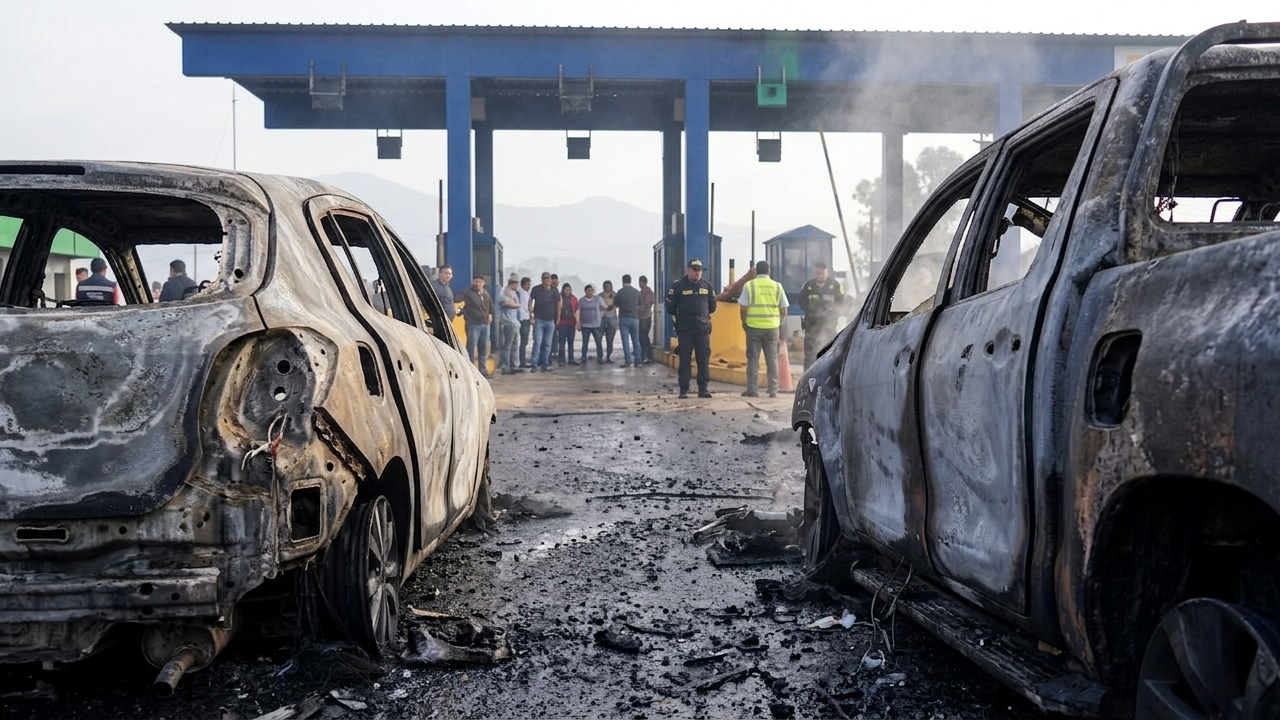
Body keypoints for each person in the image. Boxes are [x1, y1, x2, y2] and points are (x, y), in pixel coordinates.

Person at [665, 258, 716, 399]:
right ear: (688, 270)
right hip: (685, 329)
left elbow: (712, 307)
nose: (697, 273)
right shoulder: (678, 286)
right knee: (685, 359)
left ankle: (703, 389)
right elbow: (670, 307)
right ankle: (683, 389)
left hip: (702, 328)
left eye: (699, 270)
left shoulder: (707, 286)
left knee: (703, 359)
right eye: (694, 270)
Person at [739, 260, 789, 398]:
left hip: (753, 327)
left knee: (753, 359)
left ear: (756, 272)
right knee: (772, 360)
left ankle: (752, 390)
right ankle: (773, 390)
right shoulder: (777, 286)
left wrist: (744, 323)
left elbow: (743, 308)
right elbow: (784, 309)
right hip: (772, 328)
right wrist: (778, 322)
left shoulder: (749, 286)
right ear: (769, 271)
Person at [798, 261, 846, 370]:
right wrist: (811, 311)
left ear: (827, 272)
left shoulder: (835, 286)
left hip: (829, 326)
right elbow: (802, 302)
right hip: (812, 326)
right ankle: (808, 374)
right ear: (815, 273)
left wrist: (832, 314)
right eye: (818, 273)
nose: (820, 276)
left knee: (830, 352)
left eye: (823, 273)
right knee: (810, 354)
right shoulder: (808, 286)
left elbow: (841, 303)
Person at [459, 275, 494, 378]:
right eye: (476, 281)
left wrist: (490, 315)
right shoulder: (467, 292)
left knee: (483, 348)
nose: (477, 284)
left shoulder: (485, 294)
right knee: (471, 346)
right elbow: (459, 301)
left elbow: (491, 307)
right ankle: (470, 370)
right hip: (473, 324)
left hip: (485, 325)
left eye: (480, 282)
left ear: (483, 283)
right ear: (473, 282)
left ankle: (483, 370)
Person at [528, 272, 561, 372]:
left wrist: (558, 318)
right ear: (542, 280)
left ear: (551, 280)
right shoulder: (536, 289)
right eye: (545, 279)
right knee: (537, 342)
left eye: (548, 279)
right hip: (539, 320)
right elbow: (530, 301)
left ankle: (545, 364)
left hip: (550, 320)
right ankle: (534, 364)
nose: (547, 281)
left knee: (547, 344)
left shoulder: (554, 291)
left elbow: (558, 305)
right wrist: (531, 313)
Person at [613, 274, 641, 368]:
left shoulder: (620, 292)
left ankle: (628, 361)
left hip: (624, 318)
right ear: (630, 281)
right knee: (636, 340)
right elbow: (639, 303)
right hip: (635, 318)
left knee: (625, 341)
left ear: (623, 282)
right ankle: (638, 361)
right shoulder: (636, 292)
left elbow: (616, 304)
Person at [498, 274, 524, 374]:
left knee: (514, 345)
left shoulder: (514, 293)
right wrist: (517, 305)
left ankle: (514, 365)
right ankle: (506, 366)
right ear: (512, 283)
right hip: (508, 322)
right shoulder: (505, 292)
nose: (517, 286)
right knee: (508, 345)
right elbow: (505, 303)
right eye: (516, 284)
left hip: (515, 322)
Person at [577, 284, 606, 363]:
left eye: (591, 290)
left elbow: (603, 307)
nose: (590, 292)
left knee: (598, 341)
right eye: (588, 291)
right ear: (585, 291)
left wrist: (601, 314)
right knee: (585, 342)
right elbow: (578, 311)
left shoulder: (598, 299)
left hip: (596, 324)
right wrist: (578, 323)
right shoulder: (581, 300)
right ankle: (583, 357)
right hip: (585, 324)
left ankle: (600, 357)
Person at [556, 282, 579, 366]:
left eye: (569, 289)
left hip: (571, 323)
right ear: (563, 290)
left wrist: (578, 322)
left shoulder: (574, 298)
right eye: (566, 289)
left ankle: (571, 359)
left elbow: (577, 311)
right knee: (562, 342)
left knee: (571, 342)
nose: (567, 291)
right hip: (562, 323)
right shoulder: (559, 298)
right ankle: (561, 359)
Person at [638, 275, 656, 364]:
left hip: (645, 317)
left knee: (643, 337)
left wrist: (640, 311)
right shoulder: (641, 292)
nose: (640, 284)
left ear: (643, 282)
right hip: (643, 317)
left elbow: (648, 303)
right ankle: (647, 356)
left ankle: (646, 356)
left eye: (640, 282)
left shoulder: (647, 292)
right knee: (644, 337)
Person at [599, 280, 618, 363]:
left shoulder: (615, 295)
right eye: (606, 286)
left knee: (610, 339)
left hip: (612, 318)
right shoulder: (600, 296)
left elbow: (618, 304)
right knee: (598, 338)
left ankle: (608, 356)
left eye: (609, 286)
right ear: (603, 287)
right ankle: (600, 356)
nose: (607, 288)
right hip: (602, 318)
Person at [517, 276, 533, 368]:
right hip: (523, 318)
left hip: (525, 318)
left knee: (524, 341)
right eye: (527, 284)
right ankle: (522, 361)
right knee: (524, 341)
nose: (529, 286)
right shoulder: (521, 293)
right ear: (523, 284)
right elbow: (526, 307)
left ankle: (521, 360)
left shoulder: (526, 293)